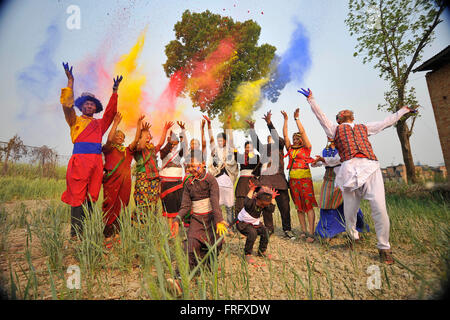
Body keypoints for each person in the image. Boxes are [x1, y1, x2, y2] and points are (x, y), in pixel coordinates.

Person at [298, 87, 417, 264]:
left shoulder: (365, 127)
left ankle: (384, 247)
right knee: (350, 210)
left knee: (379, 208)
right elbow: (321, 117)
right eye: (340, 112)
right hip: (348, 171)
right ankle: (353, 238)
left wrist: (404, 110)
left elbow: (387, 122)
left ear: (352, 116)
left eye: (346, 110)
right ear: (338, 119)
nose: (344, 111)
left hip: (370, 168)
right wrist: (311, 99)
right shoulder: (334, 129)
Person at [60, 62, 122, 238]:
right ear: (82, 106)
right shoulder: (74, 120)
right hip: (79, 162)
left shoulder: (99, 124)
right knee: (77, 196)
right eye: (86, 104)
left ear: (95, 108)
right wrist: (70, 81)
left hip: (96, 163)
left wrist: (115, 91)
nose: (89, 106)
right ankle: (75, 233)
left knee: (91, 196)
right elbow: (66, 105)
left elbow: (110, 114)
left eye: (92, 104)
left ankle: (86, 232)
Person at [171, 150, 229, 273]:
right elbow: (185, 206)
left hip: (211, 219)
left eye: (193, 165)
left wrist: (219, 220)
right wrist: (176, 219)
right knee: (190, 247)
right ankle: (181, 276)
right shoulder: (188, 184)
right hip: (197, 220)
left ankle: (209, 263)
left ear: (202, 164)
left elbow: (214, 201)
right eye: (188, 166)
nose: (191, 169)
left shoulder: (211, 180)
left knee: (216, 244)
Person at [246, 112, 295, 240]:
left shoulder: (279, 146)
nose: (270, 139)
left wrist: (269, 123)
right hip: (266, 181)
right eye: (269, 138)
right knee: (266, 206)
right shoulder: (264, 149)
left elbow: (275, 135)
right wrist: (252, 129)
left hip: (279, 181)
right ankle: (269, 229)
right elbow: (256, 142)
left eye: (272, 138)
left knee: (284, 207)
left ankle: (287, 229)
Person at [311, 138, 369, 240]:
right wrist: (315, 162)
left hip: (342, 178)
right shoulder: (325, 151)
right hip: (328, 179)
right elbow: (316, 164)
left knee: (348, 204)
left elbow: (338, 160)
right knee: (327, 204)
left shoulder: (343, 149)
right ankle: (326, 233)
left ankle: (356, 230)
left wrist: (323, 160)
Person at [101, 113, 144, 249]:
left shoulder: (127, 151)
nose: (119, 138)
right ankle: (108, 235)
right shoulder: (108, 149)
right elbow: (108, 139)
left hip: (125, 183)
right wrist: (115, 123)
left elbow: (136, 140)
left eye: (122, 137)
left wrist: (138, 125)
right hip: (111, 182)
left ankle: (117, 234)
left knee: (121, 206)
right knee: (109, 206)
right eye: (117, 136)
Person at [281, 108, 318, 243]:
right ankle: (303, 230)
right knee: (299, 207)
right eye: (294, 138)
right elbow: (285, 136)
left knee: (308, 206)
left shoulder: (306, 148)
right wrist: (286, 120)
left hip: (305, 180)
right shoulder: (290, 149)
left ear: (302, 140)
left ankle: (311, 233)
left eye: (298, 138)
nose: (295, 140)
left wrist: (297, 119)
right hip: (293, 181)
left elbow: (303, 132)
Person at [133, 120, 173, 222]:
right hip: (143, 177)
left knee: (153, 202)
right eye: (144, 135)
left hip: (154, 178)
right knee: (142, 202)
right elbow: (141, 145)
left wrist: (165, 129)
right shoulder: (136, 147)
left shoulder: (152, 149)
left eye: (148, 135)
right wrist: (144, 131)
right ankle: (140, 226)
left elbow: (160, 143)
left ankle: (151, 225)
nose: (147, 136)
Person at [204, 115, 239, 226]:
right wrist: (209, 125)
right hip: (217, 180)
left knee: (229, 205)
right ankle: (217, 225)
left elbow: (231, 137)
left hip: (228, 180)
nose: (219, 142)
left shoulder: (229, 149)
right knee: (216, 204)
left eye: (222, 140)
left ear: (225, 141)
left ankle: (230, 226)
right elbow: (211, 139)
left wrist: (228, 124)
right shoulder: (215, 151)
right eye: (218, 140)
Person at [236, 181, 277, 264]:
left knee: (266, 231)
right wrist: (252, 190)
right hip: (242, 223)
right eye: (261, 204)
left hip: (254, 223)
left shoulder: (264, 204)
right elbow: (246, 201)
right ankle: (247, 254)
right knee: (252, 233)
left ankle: (262, 251)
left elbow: (271, 209)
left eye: (264, 205)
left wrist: (272, 198)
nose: (262, 206)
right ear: (257, 198)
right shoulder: (251, 203)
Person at [159, 121, 187, 229]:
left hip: (178, 183)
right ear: (168, 140)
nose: (174, 141)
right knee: (169, 209)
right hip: (167, 184)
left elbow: (184, 147)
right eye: (172, 139)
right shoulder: (163, 152)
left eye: (176, 139)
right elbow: (165, 150)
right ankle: (170, 232)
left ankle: (175, 231)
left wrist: (183, 131)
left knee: (178, 208)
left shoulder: (178, 154)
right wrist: (170, 141)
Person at [234, 141, 260, 219]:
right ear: (244, 148)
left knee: (252, 200)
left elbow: (258, 169)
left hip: (252, 180)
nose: (248, 149)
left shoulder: (256, 157)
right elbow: (235, 154)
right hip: (242, 181)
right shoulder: (241, 157)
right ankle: (239, 222)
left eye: (250, 147)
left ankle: (253, 221)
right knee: (240, 201)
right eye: (247, 147)